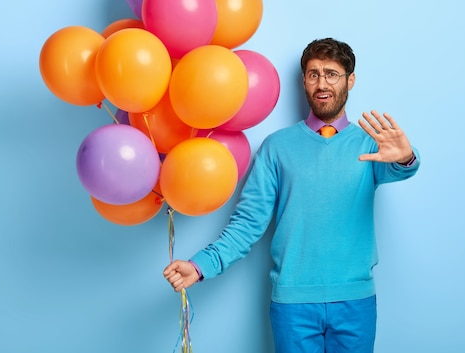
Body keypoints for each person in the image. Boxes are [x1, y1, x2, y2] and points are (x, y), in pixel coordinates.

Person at [163, 37, 420, 353]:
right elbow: (247, 224)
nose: (321, 83)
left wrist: (405, 157)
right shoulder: (276, 147)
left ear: (350, 80)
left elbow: (402, 168)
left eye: (331, 73)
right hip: (293, 306)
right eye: (313, 74)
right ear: (304, 81)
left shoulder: (371, 145)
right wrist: (201, 265)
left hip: (355, 301)